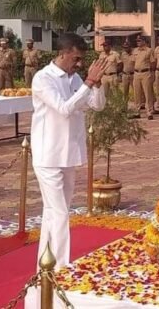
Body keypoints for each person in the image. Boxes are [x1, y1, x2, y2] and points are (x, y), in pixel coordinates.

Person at [31, 33, 107, 268]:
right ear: (62, 54)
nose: (79, 64)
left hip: (68, 154)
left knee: (53, 212)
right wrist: (88, 83)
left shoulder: (74, 79)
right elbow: (64, 109)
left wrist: (97, 84)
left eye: (82, 59)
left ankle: (46, 264)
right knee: (60, 212)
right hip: (49, 155)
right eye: (76, 58)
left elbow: (96, 105)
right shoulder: (44, 78)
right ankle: (61, 268)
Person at [132, 35, 155, 120]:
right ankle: (137, 111)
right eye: (137, 41)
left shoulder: (149, 51)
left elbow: (152, 63)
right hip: (136, 73)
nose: (138, 42)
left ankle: (149, 111)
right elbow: (133, 62)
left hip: (146, 73)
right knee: (136, 93)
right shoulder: (135, 50)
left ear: (144, 41)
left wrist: (152, 73)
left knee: (147, 93)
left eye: (140, 41)